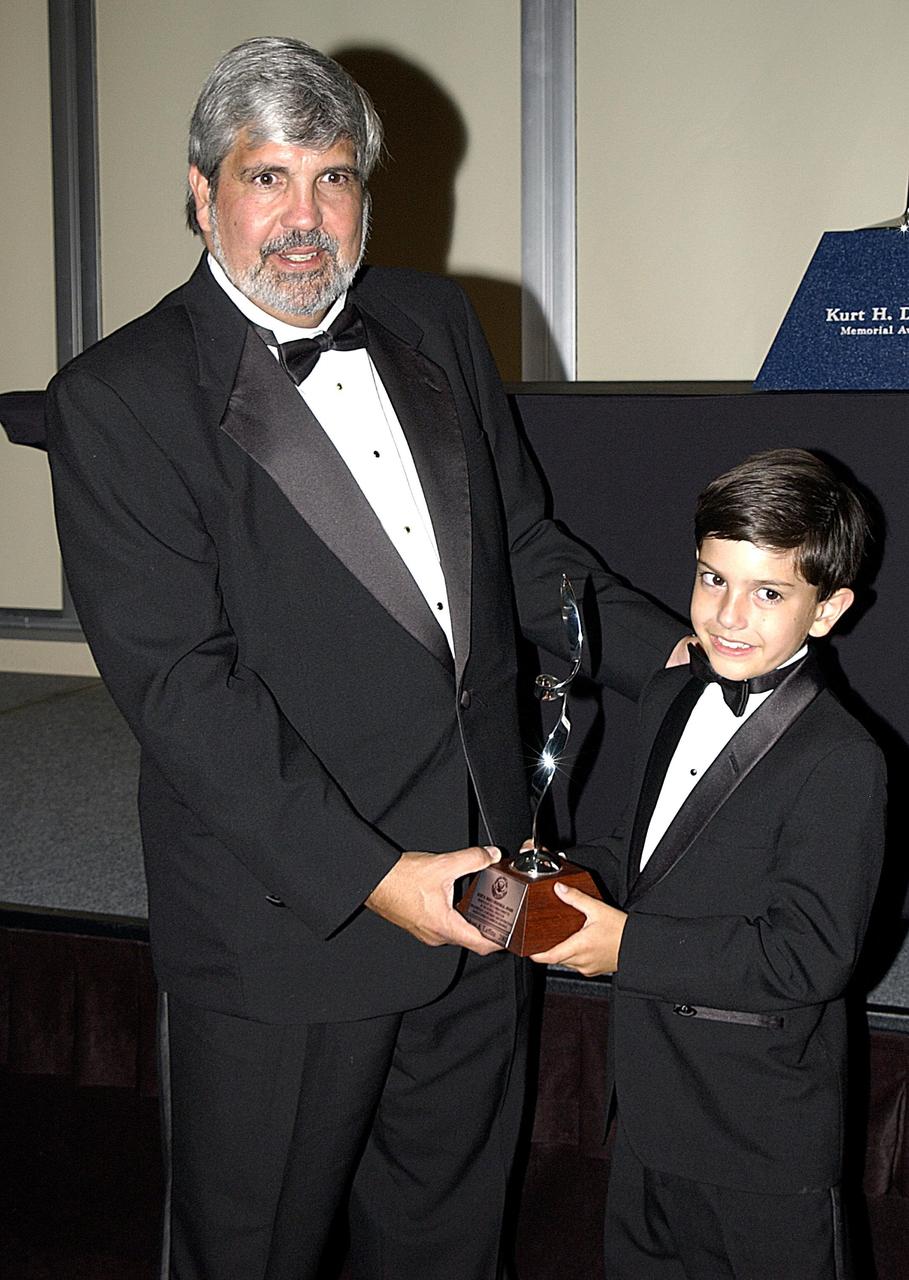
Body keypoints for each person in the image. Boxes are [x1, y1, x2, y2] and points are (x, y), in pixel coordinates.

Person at [45, 36, 687, 1280]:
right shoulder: (117, 396)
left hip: (488, 882)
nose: (303, 218)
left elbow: (522, 545)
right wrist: (376, 873)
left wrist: (683, 652)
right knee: (253, 1251)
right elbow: (184, 689)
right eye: (267, 177)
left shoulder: (433, 318)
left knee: (449, 1233)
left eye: (332, 178)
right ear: (201, 191)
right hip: (292, 922)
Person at [532, 448, 887, 1279]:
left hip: (758, 1131)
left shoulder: (843, 759)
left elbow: (808, 955)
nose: (728, 615)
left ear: (828, 610)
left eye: (768, 593)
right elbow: (639, 855)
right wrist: (548, 876)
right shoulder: (670, 692)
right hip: (649, 1103)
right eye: (710, 579)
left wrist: (627, 948)